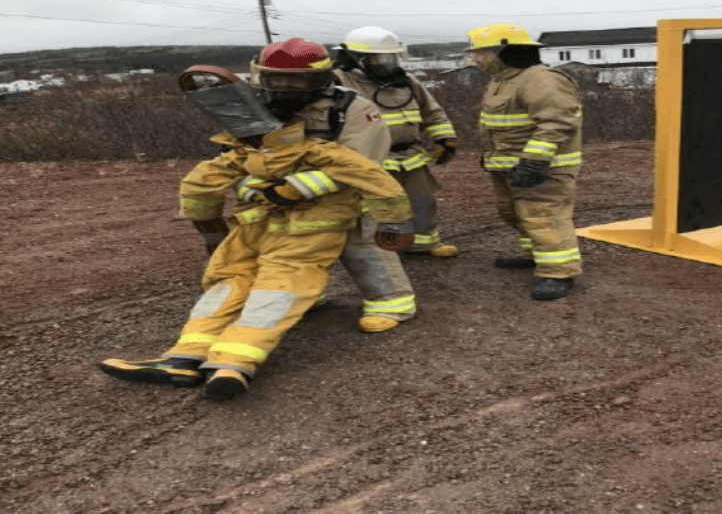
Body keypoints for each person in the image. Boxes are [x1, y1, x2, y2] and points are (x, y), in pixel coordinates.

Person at [98, 39, 414, 401]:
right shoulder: (252, 106)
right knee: (235, 279)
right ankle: (185, 355)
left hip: (338, 202)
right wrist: (253, 191)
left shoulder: (352, 108)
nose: (286, 90)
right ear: (262, 76)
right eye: (278, 80)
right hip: (265, 212)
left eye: (298, 83)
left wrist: (294, 188)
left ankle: (391, 302)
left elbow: (365, 165)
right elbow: (233, 158)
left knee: (360, 251)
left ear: (323, 78)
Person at [464, 23, 582, 300]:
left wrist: (534, 161)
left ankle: (558, 272)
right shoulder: (503, 80)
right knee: (515, 213)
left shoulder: (541, 79)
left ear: (503, 50)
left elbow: (556, 122)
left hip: (543, 168)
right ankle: (536, 254)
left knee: (544, 217)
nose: (476, 59)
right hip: (508, 166)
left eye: (481, 53)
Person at [333, 26, 460, 258]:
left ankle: (423, 243)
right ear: (357, 58)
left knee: (422, 201)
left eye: (391, 57)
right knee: (378, 207)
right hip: (371, 158)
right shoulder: (340, 82)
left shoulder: (407, 81)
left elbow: (433, 112)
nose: (386, 63)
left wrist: (445, 137)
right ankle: (383, 251)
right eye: (379, 58)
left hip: (411, 156)